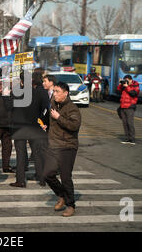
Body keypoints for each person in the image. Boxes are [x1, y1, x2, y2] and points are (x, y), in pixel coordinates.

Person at [42, 81, 81, 217]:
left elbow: (74, 126)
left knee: (65, 177)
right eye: (54, 91)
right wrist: (45, 126)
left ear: (66, 93)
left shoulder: (72, 108)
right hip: (53, 145)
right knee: (47, 174)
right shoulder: (53, 104)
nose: (55, 94)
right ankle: (62, 195)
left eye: (58, 91)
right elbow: (48, 120)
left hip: (67, 146)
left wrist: (59, 118)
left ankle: (71, 205)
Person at [4, 71, 48, 188]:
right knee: (38, 154)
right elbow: (43, 109)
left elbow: (8, 107)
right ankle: (42, 178)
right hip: (34, 125)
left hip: (19, 127)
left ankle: (21, 180)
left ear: (21, 81)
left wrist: (6, 96)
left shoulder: (16, 92)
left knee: (21, 154)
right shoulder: (37, 93)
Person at [0, 81, 14, 173]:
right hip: (1, 125)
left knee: (6, 146)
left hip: (5, 125)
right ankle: (3, 166)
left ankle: (5, 166)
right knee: (1, 146)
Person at [117, 75, 140, 145]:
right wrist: (120, 84)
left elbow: (134, 94)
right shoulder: (124, 86)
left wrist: (127, 87)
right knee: (125, 123)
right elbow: (118, 92)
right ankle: (127, 138)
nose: (125, 82)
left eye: (126, 80)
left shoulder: (135, 85)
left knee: (130, 123)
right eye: (125, 80)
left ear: (130, 80)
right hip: (123, 106)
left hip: (130, 107)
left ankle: (132, 139)